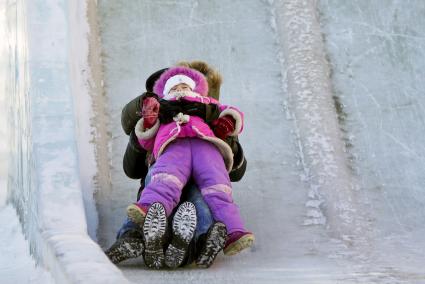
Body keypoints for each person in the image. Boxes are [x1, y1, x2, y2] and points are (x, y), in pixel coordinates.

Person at [105, 62, 248, 269]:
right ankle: (133, 237)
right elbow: (131, 168)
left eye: (185, 87)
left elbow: (236, 173)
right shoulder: (158, 116)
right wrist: (144, 130)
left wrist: (226, 139)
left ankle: (197, 243)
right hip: (164, 175)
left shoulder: (209, 118)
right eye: (174, 88)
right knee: (156, 183)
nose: (180, 92)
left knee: (200, 199)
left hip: (197, 179)